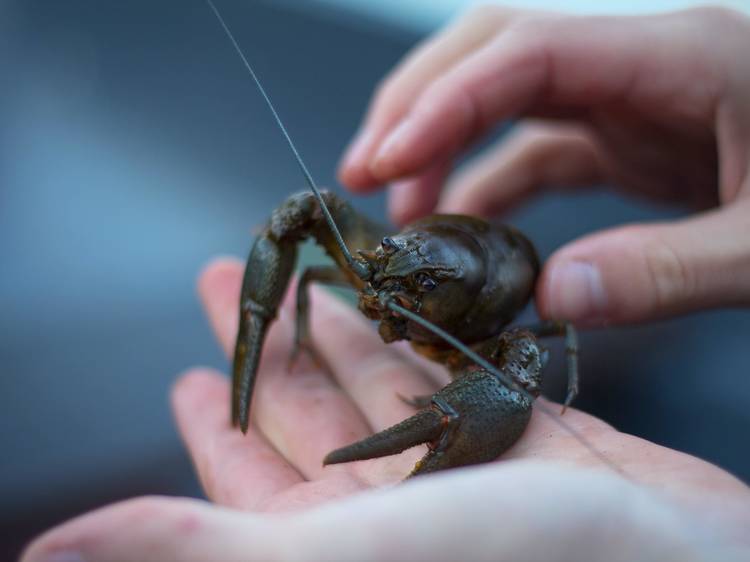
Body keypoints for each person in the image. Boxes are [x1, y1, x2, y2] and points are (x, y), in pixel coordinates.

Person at [23, 6, 750, 561]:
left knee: (523, 360)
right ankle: (284, 329)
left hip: (482, 306)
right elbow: (307, 217)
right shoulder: (391, 257)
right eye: (387, 265)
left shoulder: (495, 331)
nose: (380, 297)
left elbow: (525, 358)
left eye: (411, 285)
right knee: (308, 211)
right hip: (439, 247)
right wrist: (280, 313)